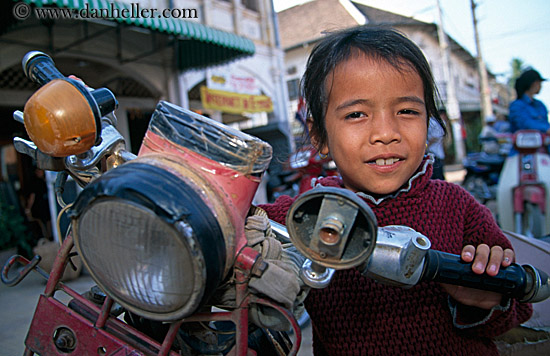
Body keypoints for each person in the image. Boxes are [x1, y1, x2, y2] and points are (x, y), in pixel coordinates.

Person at [259, 26, 532, 355]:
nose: (386, 133)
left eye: (407, 111)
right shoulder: (303, 215)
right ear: (319, 137)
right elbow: (233, 221)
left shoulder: (459, 207)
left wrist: (485, 301)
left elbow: (513, 316)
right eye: (357, 114)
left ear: (428, 121)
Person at [509, 69, 550, 134]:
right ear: (533, 84)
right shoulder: (517, 106)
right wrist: (546, 129)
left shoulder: (540, 105)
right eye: (539, 83)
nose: (540, 86)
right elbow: (525, 124)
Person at [427, 110, 447, 180]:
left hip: (435, 153)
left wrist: (426, 146)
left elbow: (435, 138)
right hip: (435, 153)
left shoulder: (435, 122)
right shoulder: (436, 123)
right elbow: (435, 138)